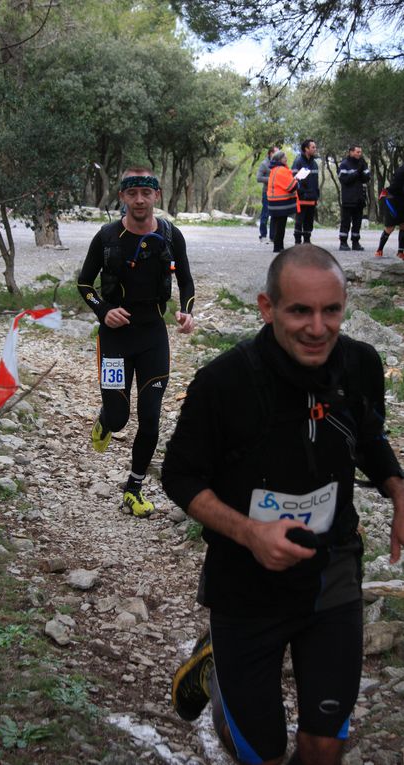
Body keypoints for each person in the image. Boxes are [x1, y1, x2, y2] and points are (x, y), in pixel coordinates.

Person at [162, 244, 404, 765]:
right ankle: (218, 668)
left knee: (324, 748)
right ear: (267, 308)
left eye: (331, 310)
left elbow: (365, 435)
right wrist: (250, 532)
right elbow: (179, 476)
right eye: (299, 310)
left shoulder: (360, 364)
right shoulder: (223, 383)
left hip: (331, 570)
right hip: (245, 583)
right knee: (263, 755)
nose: (318, 328)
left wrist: (396, 485)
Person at [77, 167, 195, 518]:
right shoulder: (107, 237)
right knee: (118, 417)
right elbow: (85, 285)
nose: (140, 199)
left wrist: (187, 313)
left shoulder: (172, 235)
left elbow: (187, 283)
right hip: (115, 340)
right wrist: (104, 312)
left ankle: (133, 489)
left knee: (151, 417)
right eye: (133, 193)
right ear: (123, 197)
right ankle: (105, 420)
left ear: (156, 195)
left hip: (152, 338)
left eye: (146, 192)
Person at [338, 145, 371, 252]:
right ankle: (343, 242)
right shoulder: (344, 164)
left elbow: (367, 178)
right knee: (346, 221)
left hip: (360, 198)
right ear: (351, 152)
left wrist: (361, 171)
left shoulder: (363, 163)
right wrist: (357, 172)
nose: (359, 154)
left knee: (357, 222)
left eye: (360, 152)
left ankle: (355, 242)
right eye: (357, 152)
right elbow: (345, 180)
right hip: (348, 198)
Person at [267, 150, 299, 253]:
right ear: (280, 159)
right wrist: (298, 180)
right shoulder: (282, 170)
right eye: (285, 157)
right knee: (281, 226)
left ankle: (278, 246)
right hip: (281, 202)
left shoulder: (274, 169)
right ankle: (278, 247)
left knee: (276, 225)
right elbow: (291, 186)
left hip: (273, 201)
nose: (286, 159)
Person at [292, 139, 320, 244]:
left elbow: (316, 181)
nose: (315, 149)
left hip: (312, 198)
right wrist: (301, 192)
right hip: (301, 198)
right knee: (299, 221)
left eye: (315, 147)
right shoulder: (298, 161)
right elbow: (293, 179)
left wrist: (316, 194)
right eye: (313, 147)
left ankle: (307, 241)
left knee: (309, 221)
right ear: (306, 149)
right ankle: (298, 241)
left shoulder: (314, 164)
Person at [375, 163, 404, 259]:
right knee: (390, 228)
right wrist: (386, 191)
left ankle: (400, 252)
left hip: (402, 201)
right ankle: (379, 250)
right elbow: (394, 187)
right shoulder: (401, 171)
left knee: (403, 226)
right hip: (393, 201)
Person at [256, 146, 279, 243]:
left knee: (275, 215)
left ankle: (273, 237)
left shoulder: (279, 164)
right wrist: (271, 179)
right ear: (270, 153)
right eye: (276, 152)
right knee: (265, 214)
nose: (278, 154)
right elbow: (259, 178)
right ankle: (263, 235)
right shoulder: (264, 164)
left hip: (277, 193)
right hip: (267, 192)